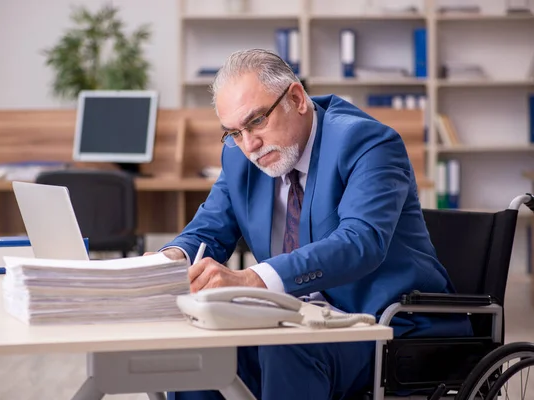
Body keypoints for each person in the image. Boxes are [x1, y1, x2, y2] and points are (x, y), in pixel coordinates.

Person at [155, 49, 472, 400]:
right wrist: (164, 264)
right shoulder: (239, 156)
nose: (249, 144)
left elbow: (359, 242)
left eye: (257, 121)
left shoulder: (368, 143)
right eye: (234, 132)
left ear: (296, 98)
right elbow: (206, 232)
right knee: (198, 348)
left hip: (386, 326)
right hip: (295, 318)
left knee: (287, 346)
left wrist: (254, 279)